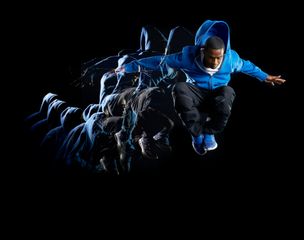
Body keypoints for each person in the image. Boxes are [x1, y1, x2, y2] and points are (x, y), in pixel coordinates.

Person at [115, 20, 286, 156]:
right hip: (195, 92)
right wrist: (128, 67)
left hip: (217, 94)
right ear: (203, 51)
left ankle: (209, 133)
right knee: (179, 88)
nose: (216, 62)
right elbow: (159, 60)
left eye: (219, 58)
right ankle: (196, 136)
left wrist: (266, 77)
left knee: (228, 92)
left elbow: (248, 66)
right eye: (212, 57)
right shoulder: (187, 57)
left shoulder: (231, 60)